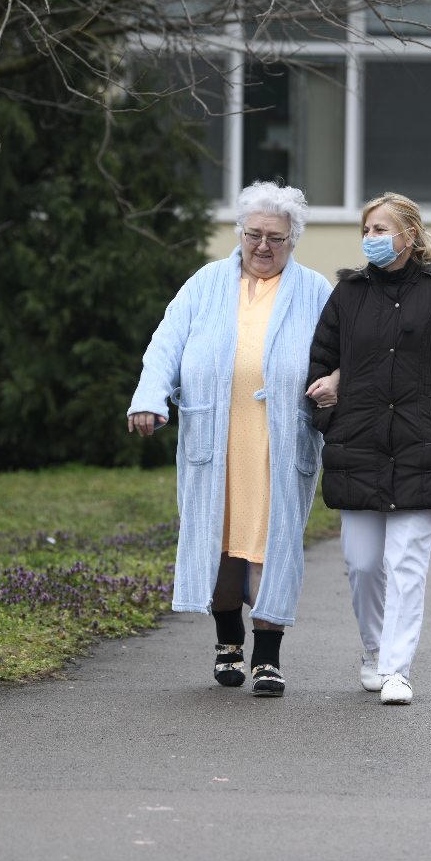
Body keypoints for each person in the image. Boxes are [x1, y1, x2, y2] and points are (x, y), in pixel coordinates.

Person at [127, 181, 331, 697]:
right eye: (254, 234)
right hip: (216, 436)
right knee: (219, 542)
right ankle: (227, 643)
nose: (263, 246)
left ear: (293, 240)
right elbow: (166, 343)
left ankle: (267, 659)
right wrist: (150, 397)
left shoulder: (315, 290)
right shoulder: (206, 283)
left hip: (280, 442)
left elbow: (346, 352)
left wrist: (339, 382)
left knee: (270, 544)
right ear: (239, 233)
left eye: (276, 238)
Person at [304, 192, 431, 705]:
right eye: (366, 230)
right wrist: (329, 416)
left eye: (382, 230)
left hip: (420, 450)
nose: (372, 239)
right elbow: (319, 365)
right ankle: (373, 651)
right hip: (358, 447)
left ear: (409, 235)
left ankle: (396, 669)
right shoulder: (348, 295)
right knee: (363, 563)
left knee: (407, 561)